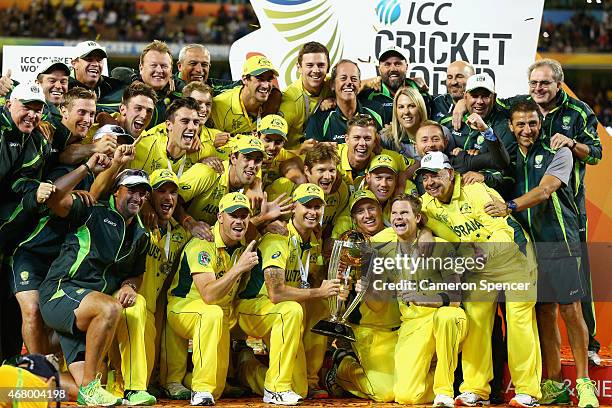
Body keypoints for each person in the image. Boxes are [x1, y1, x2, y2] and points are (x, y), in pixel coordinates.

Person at [483, 100, 598, 408]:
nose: (527, 129)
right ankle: (555, 383)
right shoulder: (508, 159)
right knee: (543, 313)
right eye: (520, 124)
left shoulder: (558, 152)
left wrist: (509, 206)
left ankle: (585, 384)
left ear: (540, 122)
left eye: (532, 123)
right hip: (526, 247)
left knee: (570, 311)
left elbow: (546, 190)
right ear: (511, 126)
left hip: (560, 241)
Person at [417, 151, 541, 407]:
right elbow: (416, 216)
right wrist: (426, 230)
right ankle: (475, 389)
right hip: (479, 265)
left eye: (436, 175)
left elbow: (501, 230)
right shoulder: (428, 203)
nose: (430, 183)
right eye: (425, 178)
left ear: (450, 173)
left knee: (519, 321)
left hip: (512, 255)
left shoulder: (476, 191)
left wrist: (477, 258)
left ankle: (528, 391)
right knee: (476, 322)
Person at [501, 58, 603, 367]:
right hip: (528, 218)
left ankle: (590, 346)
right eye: (533, 83)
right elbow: (485, 104)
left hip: (565, 207)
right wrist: (462, 106)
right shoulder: (519, 108)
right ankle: (548, 372)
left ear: (558, 84)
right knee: (542, 303)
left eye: (544, 83)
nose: (538, 88)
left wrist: (571, 143)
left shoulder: (578, 112)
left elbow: (596, 154)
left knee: (576, 287)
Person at [38, 158, 152, 406]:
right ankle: (91, 388)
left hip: (90, 310)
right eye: (131, 189)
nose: (138, 197)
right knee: (110, 307)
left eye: (143, 193)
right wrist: (87, 167)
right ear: (116, 190)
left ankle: (25, 379)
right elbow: (55, 199)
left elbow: (136, 272)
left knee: (77, 387)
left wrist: (129, 286)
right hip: (61, 291)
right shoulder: (93, 210)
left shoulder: (142, 234)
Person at [236, 183, 343, 405]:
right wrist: (319, 291)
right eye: (307, 206)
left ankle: (248, 369)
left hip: (281, 312)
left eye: (317, 206)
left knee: (300, 388)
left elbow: (310, 279)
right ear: (294, 207)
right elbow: (275, 293)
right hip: (254, 307)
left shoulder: (313, 241)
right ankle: (275, 388)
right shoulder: (279, 237)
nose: (312, 212)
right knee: (292, 309)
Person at [167, 192, 257, 406]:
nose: (239, 221)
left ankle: (188, 382)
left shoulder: (242, 245)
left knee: (218, 389)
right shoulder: (203, 243)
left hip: (217, 316)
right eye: (233, 215)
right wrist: (238, 269)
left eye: (244, 216)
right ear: (220, 217)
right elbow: (208, 294)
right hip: (183, 308)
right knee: (212, 311)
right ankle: (200, 389)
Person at [379, 194, 467, 407]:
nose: (399, 218)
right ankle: (437, 375)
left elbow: (456, 296)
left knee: (449, 316)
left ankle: (444, 391)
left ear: (418, 217)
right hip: (412, 324)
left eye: (405, 213)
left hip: (442, 315)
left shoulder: (440, 247)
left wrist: (425, 299)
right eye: (395, 213)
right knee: (406, 396)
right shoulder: (384, 247)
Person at [0, 82, 50, 250]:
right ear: (9, 105)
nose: (32, 114)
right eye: (26, 107)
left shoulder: (38, 141)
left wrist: (38, 188)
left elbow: (19, 181)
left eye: (37, 110)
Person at [266, 142, 350, 240]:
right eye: (321, 170)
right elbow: (259, 222)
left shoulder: (340, 189)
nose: (328, 177)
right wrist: (266, 227)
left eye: (332, 170)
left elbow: (332, 224)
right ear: (307, 171)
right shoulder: (285, 187)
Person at [178, 135, 265, 227]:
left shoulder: (253, 188)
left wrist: (265, 222)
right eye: (247, 158)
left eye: (258, 160)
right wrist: (189, 223)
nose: (252, 165)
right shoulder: (207, 172)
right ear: (233, 158)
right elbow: (170, 200)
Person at [414, 120, 510, 192]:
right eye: (424, 140)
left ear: (445, 142)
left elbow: (501, 162)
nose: (430, 144)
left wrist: (486, 131)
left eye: (435, 139)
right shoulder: (417, 177)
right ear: (415, 147)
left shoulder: (460, 160)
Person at [130, 97, 216, 177]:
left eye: (196, 122)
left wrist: (205, 163)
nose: (191, 127)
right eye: (184, 121)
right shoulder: (144, 147)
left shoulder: (204, 151)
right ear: (169, 125)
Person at [305, 60, 385, 144]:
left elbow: (384, 148)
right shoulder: (318, 120)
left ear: (360, 84)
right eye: (343, 78)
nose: (349, 82)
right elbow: (312, 155)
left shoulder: (377, 110)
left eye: (354, 79)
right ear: (332, 85)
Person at [440, 73, 516, 156]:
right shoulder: (447, 122)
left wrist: (472, 158)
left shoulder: (504, 128)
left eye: (485, 96)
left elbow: (505, 164)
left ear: (494, 98)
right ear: (465, 97)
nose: (480, 101)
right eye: (474, 96)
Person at [279, 41, 333, 149]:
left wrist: (336, 100)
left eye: (321, 65)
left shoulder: (332, 85)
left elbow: (356, 84)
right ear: (299, 67)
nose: (316, 70)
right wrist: (300, 150)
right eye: (309, 65)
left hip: (320, 151)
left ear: (328, 68)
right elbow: (273, 143)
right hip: (293, 156)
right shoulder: (290, 99)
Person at [335, 114, 412, 190]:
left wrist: (402, 179)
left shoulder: (383, 157)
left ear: (375, 141)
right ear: (347, 139)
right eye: (357, 138)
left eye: (367, 138)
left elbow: (417, 164)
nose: (362, 143)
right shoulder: (333, 154)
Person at [211, 55, 278, 135]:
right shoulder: (220, 105)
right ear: (245, 80)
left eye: (269, 79)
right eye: (260, 79)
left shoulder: (274, 100)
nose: (265, 85)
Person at [360, 45, 430, 121]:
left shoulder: (421, 94)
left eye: (397, 64)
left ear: (406, 67)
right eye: (387, 64)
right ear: (379, 69)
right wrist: (366, 83)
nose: (393, 69)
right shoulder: (368, 96)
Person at [69, 41, 126, 109]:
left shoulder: (113, 86)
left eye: (99, 60)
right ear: (74, 63)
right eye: (89, 59)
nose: (95, 64)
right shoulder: (63, 86)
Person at [379, 86, 432, 159]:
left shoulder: (439, 132)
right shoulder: (387, 139)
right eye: (401, 107)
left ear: (420, 108)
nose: (406, 112)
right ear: (395, 111)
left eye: (411, 106)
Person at [35, 59, 71, 128]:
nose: (58, 86)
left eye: (63, 82)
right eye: (52, 81)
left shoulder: (71, 112)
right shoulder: (31, 116)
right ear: (37, 84)